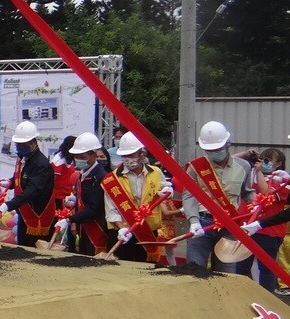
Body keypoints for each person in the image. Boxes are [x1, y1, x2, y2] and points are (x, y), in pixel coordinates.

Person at [182, 120, 255, 274]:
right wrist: (193, 221)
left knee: (226, 273)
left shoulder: (244, 166)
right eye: (210, 150)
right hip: (202, 223)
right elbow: (189, 195)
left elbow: (247, 192)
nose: (215, 152)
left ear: (228, 144)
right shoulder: (195, 167)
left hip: (230, 225)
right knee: (194, 270)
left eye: (218, 149)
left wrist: (255, 204)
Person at [100, 132, 172, 263]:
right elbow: (111, 209)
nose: (127, 158)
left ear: (142, 153)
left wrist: (168, 191)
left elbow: (166, 187)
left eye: (131, 155)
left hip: (148, 231)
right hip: (122, 232)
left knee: (147, 268)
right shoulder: (112, 179)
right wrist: (121, 227)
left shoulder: (156, 172)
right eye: (124, 155)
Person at [239, 147, 290, 292]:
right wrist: (245, 155)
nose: (262, 163)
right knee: (241, 267)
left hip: (269, 232)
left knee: (266, 268)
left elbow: (266, 193)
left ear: (278, 163)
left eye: (267, 160)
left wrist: (259, 172)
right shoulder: (251, 176)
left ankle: (267, 300)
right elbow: (229, 164)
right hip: (247, 228)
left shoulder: (282, 181)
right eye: (262, 159)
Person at [0, 120, 55, 248]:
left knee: (33, 251)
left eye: (23, 144)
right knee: (21, 247)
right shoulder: (23, 158)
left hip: (37, 214)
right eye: (18, 144)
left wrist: (9, 205)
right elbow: (20, 176)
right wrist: (10, 182)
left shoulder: (41, 164)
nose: (19, 147)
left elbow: (32, 190)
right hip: (24, 213)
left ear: (33, 143)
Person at [53, 132, 110, 256]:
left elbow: (94, 208)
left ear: (93, 155)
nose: (78, 159)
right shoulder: (83, 173)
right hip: (83, 227)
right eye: (76, 156)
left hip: (96, 228)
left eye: (82, 156)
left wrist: (70, 220)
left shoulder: (100, 177)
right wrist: (75, 199)